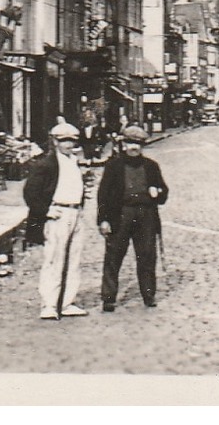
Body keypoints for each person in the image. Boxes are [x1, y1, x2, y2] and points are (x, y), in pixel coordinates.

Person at [24, 122, 94, 319]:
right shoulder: (46, 164)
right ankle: (49, 304)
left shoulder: (74, 161)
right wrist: (45, 211)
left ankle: (67, 302)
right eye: (64, 141)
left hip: (75, 213)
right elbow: (31, 193)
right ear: (55, 142)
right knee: (54, 259)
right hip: (58, 214)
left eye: (72, 141)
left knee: (74, 261)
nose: (68, 145)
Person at [98, 125, 169, 310]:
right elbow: (103, 195)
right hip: (120, 214)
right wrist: (103, 220)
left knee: (146, 255)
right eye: (130, 143)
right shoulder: (113, 166)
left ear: (143, 145)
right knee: (114, 256)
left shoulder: (151, 166)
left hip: (146, 215)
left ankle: (148, 294)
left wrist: (158, 192)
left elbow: (164, 192)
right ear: (123, 144)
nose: (133, 147)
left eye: (137, 144)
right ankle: (109, 297)